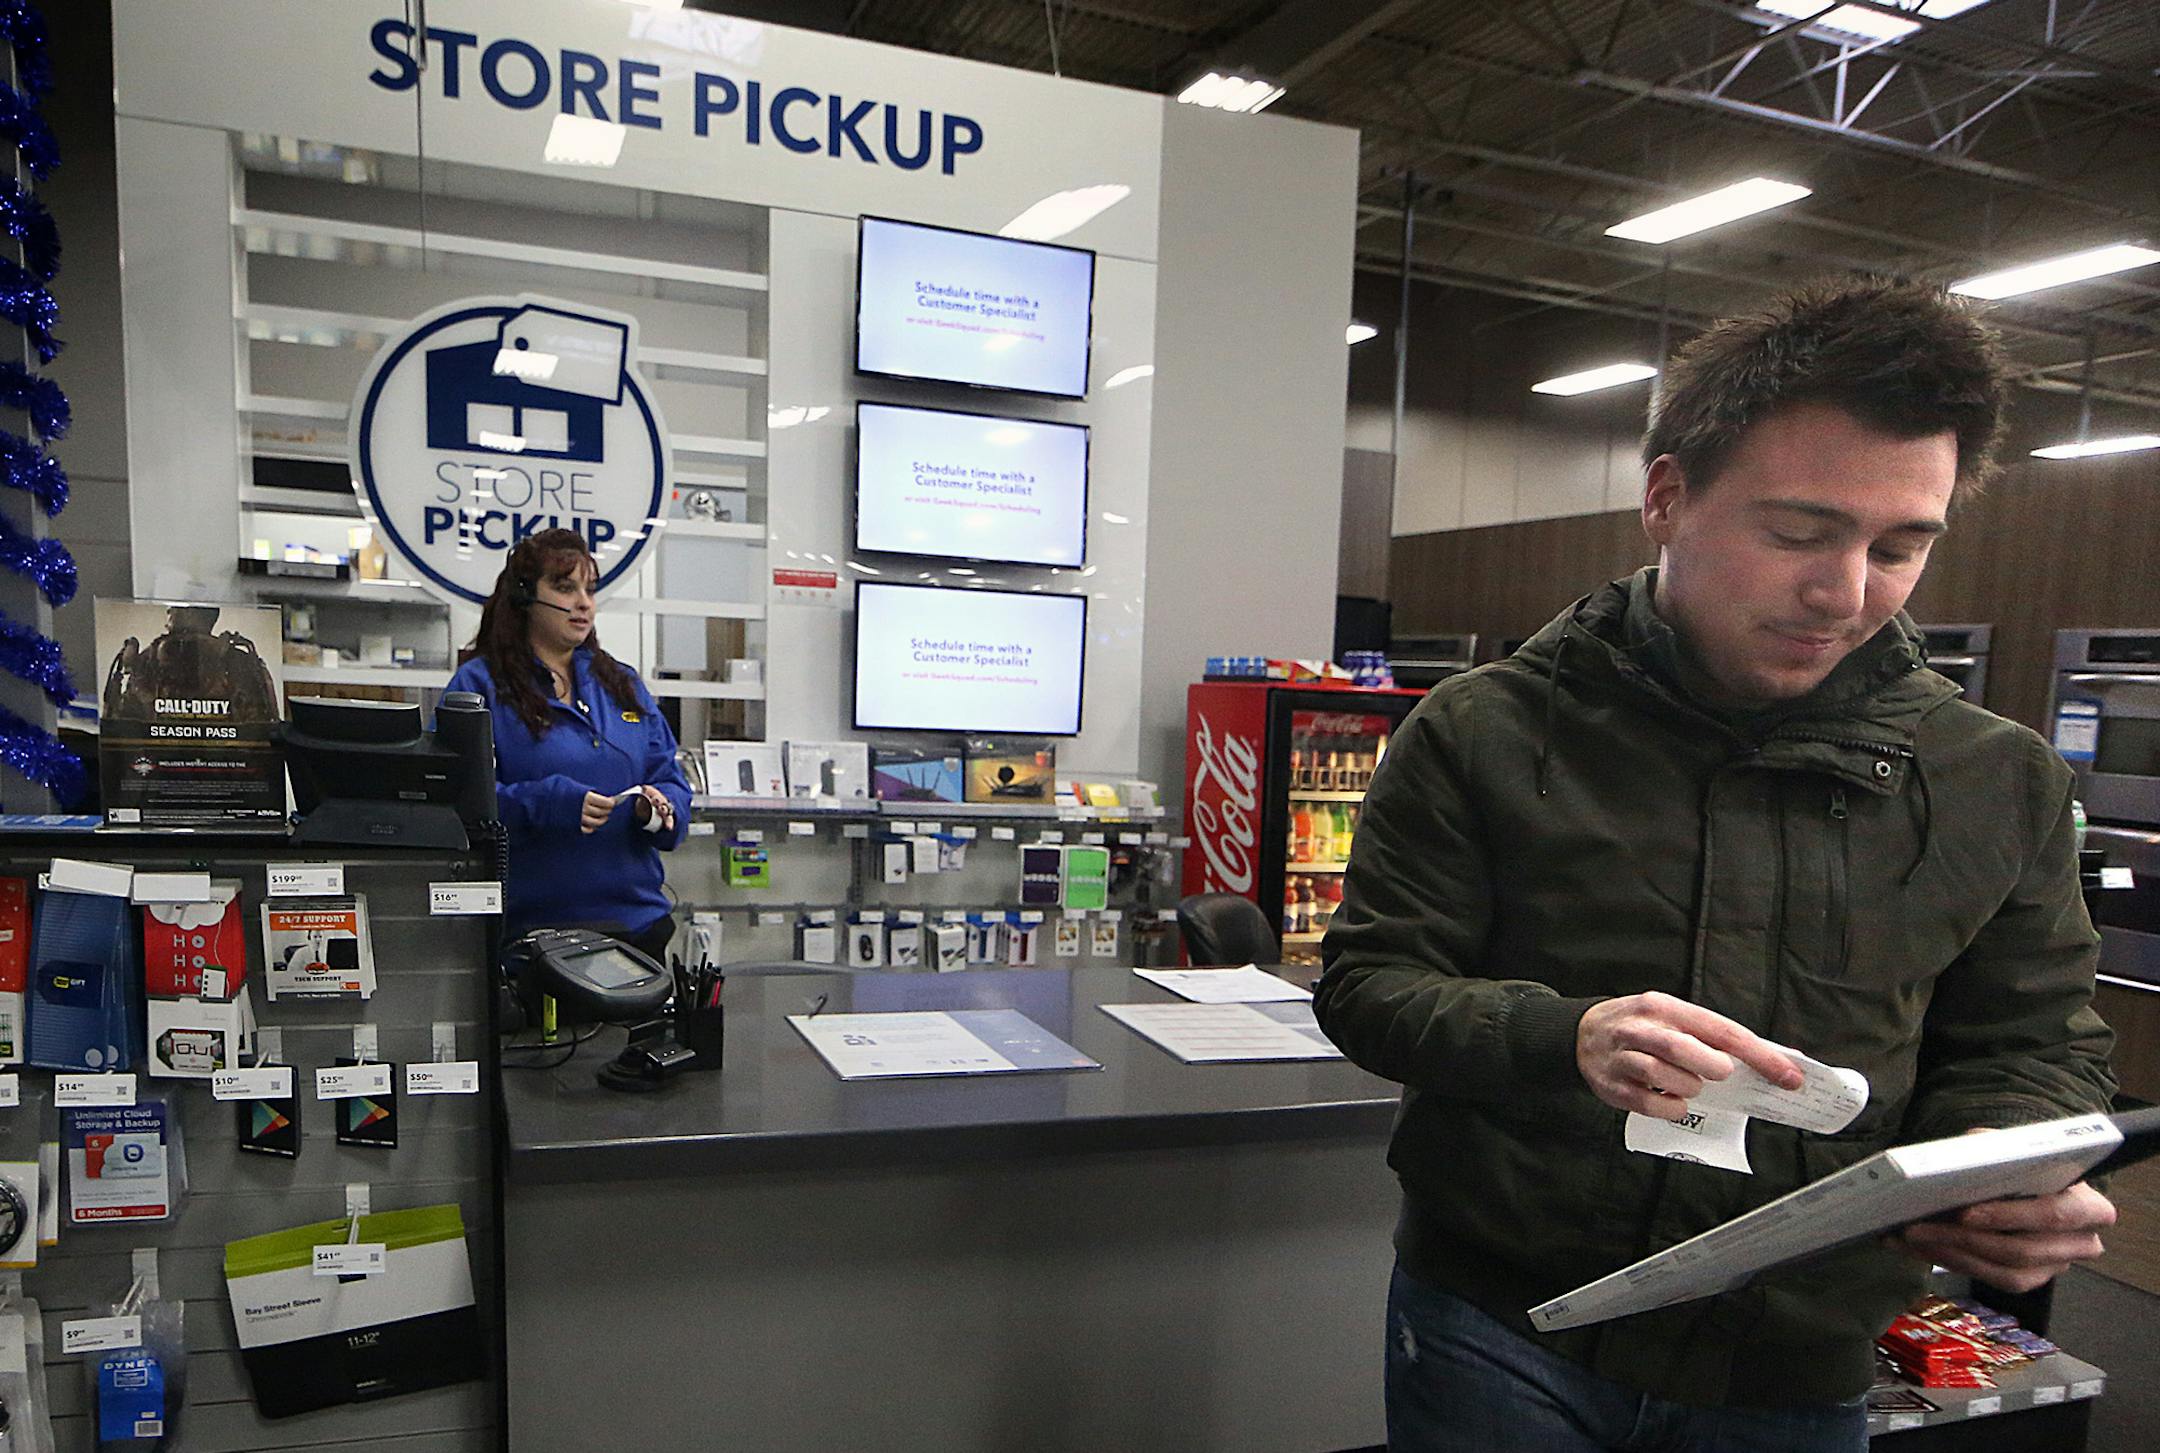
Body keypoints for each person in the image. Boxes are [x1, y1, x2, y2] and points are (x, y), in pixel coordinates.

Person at [1313, 279, 2117, 1453]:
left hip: (1797, 1348)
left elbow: (2030, 1042)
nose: (1844, 594)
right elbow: (1371, 985)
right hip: (1504, 1317)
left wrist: (2009, 1167)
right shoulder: (1484, 729)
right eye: (1797, 534)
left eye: (1900, 547)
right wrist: (1567, 1037)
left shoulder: (2001, 780)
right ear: (1666, 497)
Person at [445, 528, 691, 963]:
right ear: (524, 597)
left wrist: (657, 809)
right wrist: (548, 803)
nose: (584, 603)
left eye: (590, 590)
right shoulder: (479, 685)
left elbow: (670, 781)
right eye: (565, 587)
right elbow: (456, 803)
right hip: (532, 939)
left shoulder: (623, 685)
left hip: (637, 930)